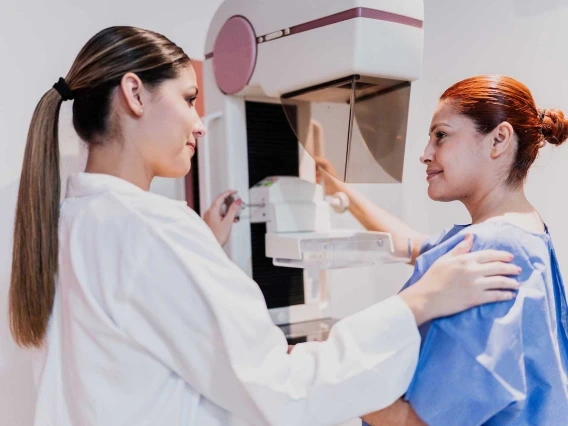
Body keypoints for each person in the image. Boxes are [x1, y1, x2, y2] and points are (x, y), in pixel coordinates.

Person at [9, 27, 521, 426]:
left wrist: (205, 246)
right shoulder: (152, 229)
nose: (198, 122)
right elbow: (278, 390)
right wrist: (416, 303)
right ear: (135, 94)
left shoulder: (65, 220)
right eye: (189, 99)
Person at [317, 75, 568, 425]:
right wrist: (338, 190)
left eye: (441, 135)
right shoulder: (526, 232)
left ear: (499, 139)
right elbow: (415, 246)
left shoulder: (491, 246)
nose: (425, 154)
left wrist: (319, 378)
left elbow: (423, 422)